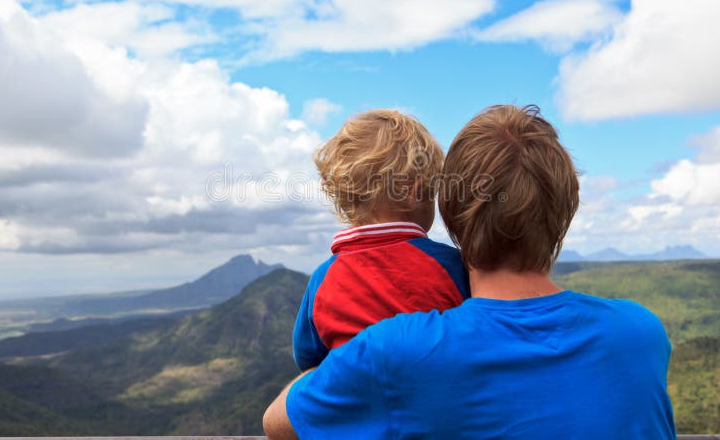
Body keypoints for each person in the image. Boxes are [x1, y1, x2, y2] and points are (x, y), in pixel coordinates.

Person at [264, 104, 676, 439]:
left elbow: (277, 422)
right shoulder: (643, 334)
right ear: (565, 211)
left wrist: (346, 368)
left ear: (454, 214)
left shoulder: (391, 353)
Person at [293, 109, 469, 371]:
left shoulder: (323, 279)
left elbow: (308, 360)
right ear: (417, 192)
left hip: (352, 406)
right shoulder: (451, 264)